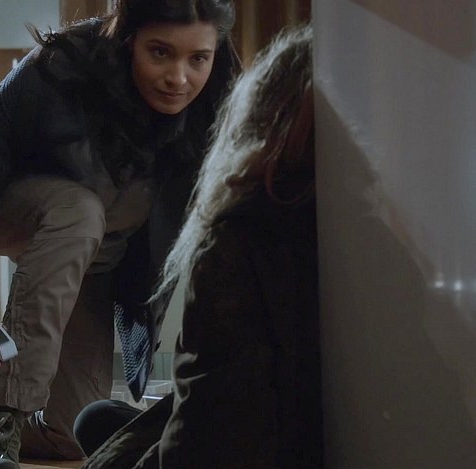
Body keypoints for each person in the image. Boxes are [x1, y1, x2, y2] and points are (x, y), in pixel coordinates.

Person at [0, 1, 240, 467]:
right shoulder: (57, 67)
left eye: (198, 58)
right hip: (12, 210)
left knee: (71, 436)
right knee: (79, 210)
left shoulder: (222, 95)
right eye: (160, 52)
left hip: (96, 252)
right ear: (127, 40)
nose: (178, 78)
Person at [73, 24, 321, 468]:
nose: (177, 78)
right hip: (294, 429)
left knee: (100, 432)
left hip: (266, 446)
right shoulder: (358, 227)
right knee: (99, 419)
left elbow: (206, 441)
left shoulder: (240, 242)